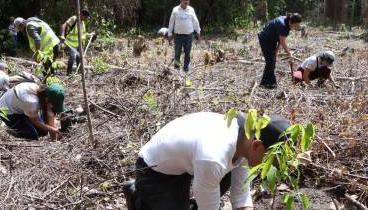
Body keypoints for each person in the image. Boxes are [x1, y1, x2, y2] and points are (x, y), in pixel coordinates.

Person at [123, 111, 291, 210]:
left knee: (219, 179)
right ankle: (138, 195)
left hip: (188, 164)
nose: (270, 168)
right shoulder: (214, 156)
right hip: (154, 170)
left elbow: (241, 196)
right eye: (271, 161)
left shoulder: (246, 140)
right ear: (257, 145)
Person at [0, 82, 65, 140]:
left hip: (23, 108)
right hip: (8, 111)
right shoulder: (32, 101)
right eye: (54, 104)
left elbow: (49, 111)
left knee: (43, 132)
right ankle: (10, 127)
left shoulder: (42, 92)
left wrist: (52, 133)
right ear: (47, 100)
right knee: (32, 136)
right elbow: (36, 122)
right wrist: (53, 130)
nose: (53, 107)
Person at [258, 13, 302, 89]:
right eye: (296, 25)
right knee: (270, 62)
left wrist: (276, 50)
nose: (296, 27)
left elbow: (279, 39)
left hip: (272, 39)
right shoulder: (283, 26)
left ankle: (268, 84)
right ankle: (268, 84)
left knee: (272, 62)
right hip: (265, 39)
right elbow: (282, 41)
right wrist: (289, 54)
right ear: (291, 22)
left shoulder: (286, 20)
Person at [167, 0, 201, 72]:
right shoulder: (175, 10)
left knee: (187, 53)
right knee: (177, 53)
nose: (187, 1)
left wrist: (198, 31)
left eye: (188, 0)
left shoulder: (191, 10)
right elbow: (171, 22)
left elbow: (195, 21)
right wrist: (169, 34)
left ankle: (186, 68)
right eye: (185, 0)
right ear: (181, 0)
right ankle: (176, 69)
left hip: (189, 35)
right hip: (178, 36)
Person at [60, 8, 90, 76]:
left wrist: (90, 35)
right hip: (71, 43)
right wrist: (62, 35)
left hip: (79, 44)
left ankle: (79, 72)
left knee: (79, 58)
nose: (86, 19)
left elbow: (83, 34)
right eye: (85, 17)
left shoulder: (82, 22)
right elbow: (64, 25)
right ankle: (68, 74)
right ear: (81, 14)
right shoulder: (74, 19)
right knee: (72, 57)